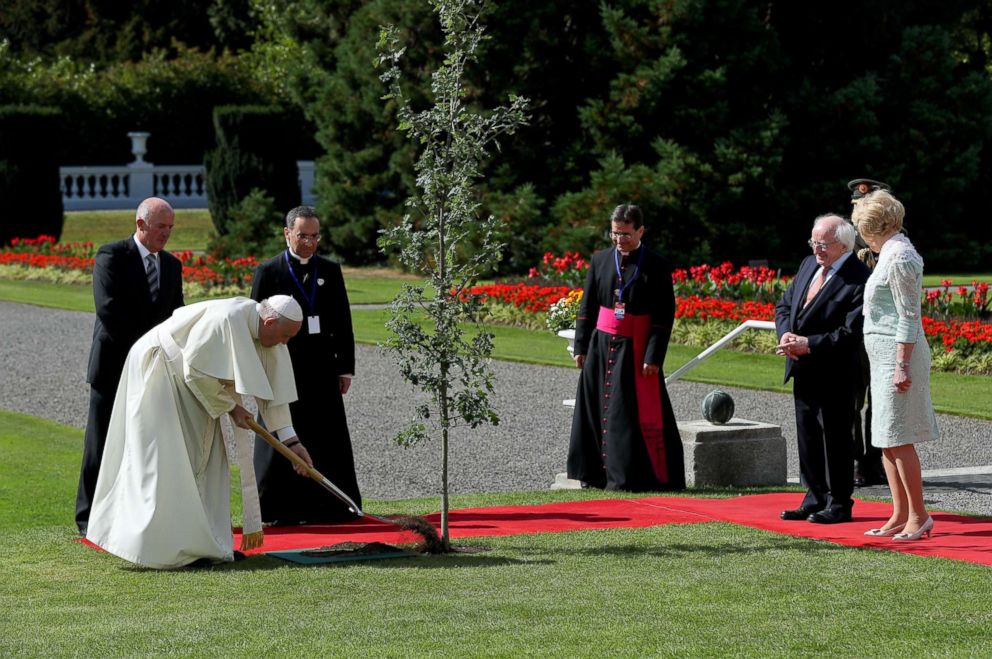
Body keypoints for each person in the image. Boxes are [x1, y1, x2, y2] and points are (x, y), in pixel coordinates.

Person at [85, 296, 313, 569]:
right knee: (171, 461)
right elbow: (194, 369)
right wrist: (231, 408)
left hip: (195, 384)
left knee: (209, 461)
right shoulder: (226, 319)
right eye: (285, 335)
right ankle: (166, 549)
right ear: (271, 321)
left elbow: (276, 395)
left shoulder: (271, 333)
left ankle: (209, 545)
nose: (285, 343)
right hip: (163, 372)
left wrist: (292, 442)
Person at [75, 197, 185, 536]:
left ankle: (131, 512)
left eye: (170, 228)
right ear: (140, 225)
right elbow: (109, 311)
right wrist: (147, 347)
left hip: (155, 369)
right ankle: (88, 516)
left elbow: (177, 315)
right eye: (160, 227)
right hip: (114, 365)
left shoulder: (172, 265)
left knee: (144, 443)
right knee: (102, 441)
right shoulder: (112, 256)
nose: (166, 234)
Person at [250, 206, 361, 523]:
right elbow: (256, 325)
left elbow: (342, 321)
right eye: (303, 236)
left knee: (327, 436)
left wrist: (345, 367)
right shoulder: (268, 272)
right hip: (282, 364)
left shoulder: (330, 270)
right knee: (281, 429)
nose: (310, 243)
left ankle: (332, 506)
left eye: (315, 236)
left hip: (323, 369)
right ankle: (278, 507)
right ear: (287, 234)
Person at [566, 203, 685, 491]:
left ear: (640, 231)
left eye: (626, 234)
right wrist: (581, 346)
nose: (620, 240)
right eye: (615, 233)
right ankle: (593, 475)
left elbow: (663, 315)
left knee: (626, 412)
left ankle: (628, 477)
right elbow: (588, 306)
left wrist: (653, 355)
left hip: (637, 348)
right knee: (594, 407)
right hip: (601, 345)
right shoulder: (600, 260)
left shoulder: (656, 265)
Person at [852, 190, 939, 540]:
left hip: (898, 356)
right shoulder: (889, 252)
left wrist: (902, 364)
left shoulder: (901, 257)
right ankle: (900, 513)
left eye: (862, 229)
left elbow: (908, 316)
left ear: (875, 228)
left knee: (899, 437)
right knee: (886, 437)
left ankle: (919, 515)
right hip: (885, 354)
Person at [775, 215, 870, 524]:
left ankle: (839, 503)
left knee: (836, 438)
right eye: (813, 242)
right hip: (802, 368)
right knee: (808, 435)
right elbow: (785, 306)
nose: (816, 249)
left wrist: (809, 343)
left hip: (836, 371)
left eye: (823, 244)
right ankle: (813, 497)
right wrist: (786, 335)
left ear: (843, 245)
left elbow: (850, 332)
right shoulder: (808, 264)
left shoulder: (859, 277)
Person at [848, 178, 891, 487]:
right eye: (856, 205)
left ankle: (873, 461)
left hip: (880, 333)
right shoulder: (844, 239)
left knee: (879, 401)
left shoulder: (892, 241)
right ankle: (853, 460)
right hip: (853, 333)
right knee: (852, 400)